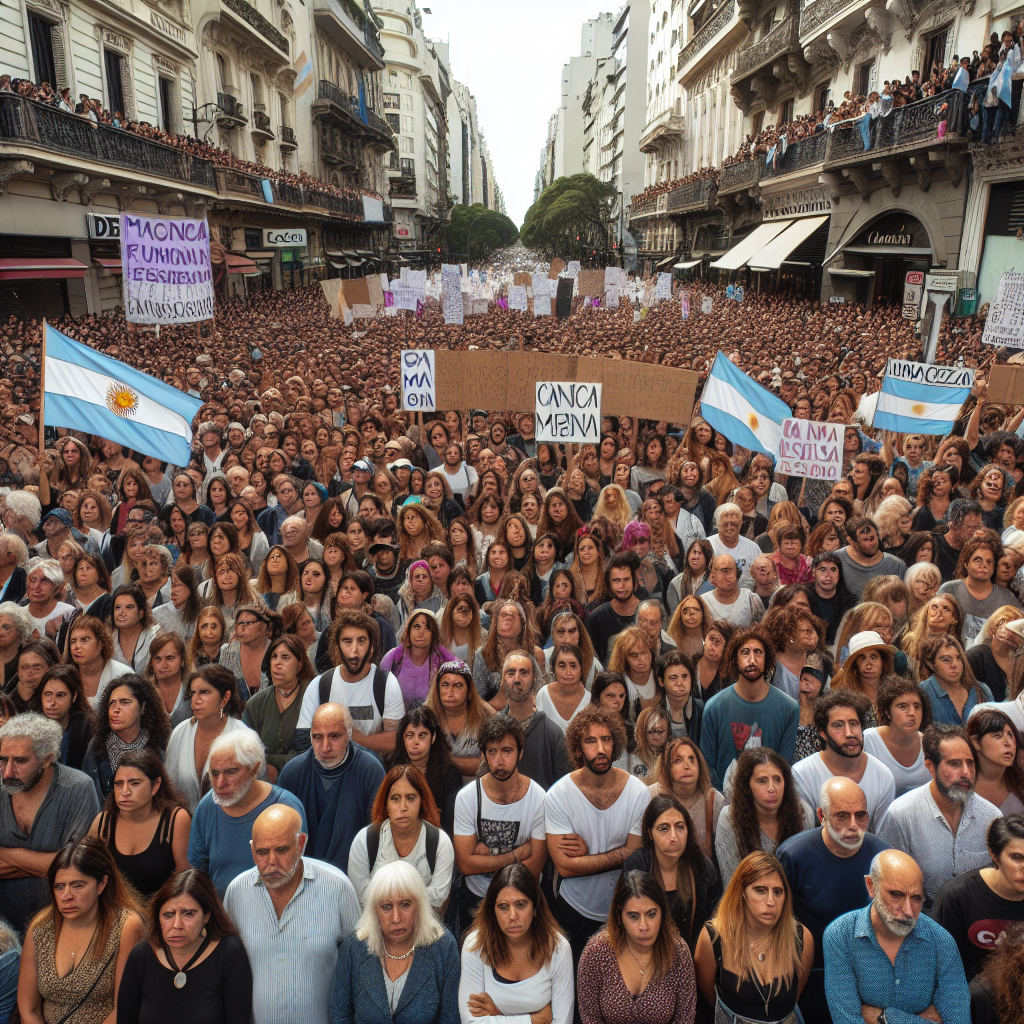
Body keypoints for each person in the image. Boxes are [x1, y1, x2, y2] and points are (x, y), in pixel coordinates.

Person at [224, 804, 360, 1024]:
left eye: (281, 850)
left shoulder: (338, 888)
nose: (271, 862)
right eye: (262, 852)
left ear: (301, 844)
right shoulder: (236, 893)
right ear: (252, 849)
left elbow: (360, 967)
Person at [777, 777, 891, 1024]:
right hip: (812, 978)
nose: (853, 826)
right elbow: (776, 924)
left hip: (870, 982)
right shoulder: (794, 855)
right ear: (822, 815)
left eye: (861, 816)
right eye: (842, 816)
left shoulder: (884, 857)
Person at [545, 705, 649, 967]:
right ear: (578, 748)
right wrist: (620, 853)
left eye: (606, 739)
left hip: (625, 910)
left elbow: (635, 856)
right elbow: (566, 867)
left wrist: (588, 856)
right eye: (591, 741)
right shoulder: (558, 795)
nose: (600, 749)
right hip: (572, 911)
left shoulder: (637, 792)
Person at [823, 849, 970, 1023]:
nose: (908, 911)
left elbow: (959, 1020)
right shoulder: (840, 936)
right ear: (871, 886)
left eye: (916, 898)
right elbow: (846, 1020)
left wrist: (883, 1017)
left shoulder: (941, 941)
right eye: (896, 895)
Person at [17, 836, 146, 1024]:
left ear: (102, 884)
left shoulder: (126, 926)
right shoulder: (40, 928)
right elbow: (29, 1009)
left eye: (78, 885)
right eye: (59, 887)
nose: (66, 896)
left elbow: (124, 1010)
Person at [878, 723, 1002, 904]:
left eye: (970, 763)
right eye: (955, 764)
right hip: (921, 916)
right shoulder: (902, 815)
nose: (966, 773)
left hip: (978, 915)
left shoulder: (991, 816)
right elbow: (886, 881)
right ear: (930, 767)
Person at [0, 713, 99, 932]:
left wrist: (8, 855)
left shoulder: (78, 788)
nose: (8, 772)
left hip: (64, 924)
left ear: (46, 759)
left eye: (20, 761)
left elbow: (74, 867)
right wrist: (46, 865)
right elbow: (60, 864)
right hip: (4, 927)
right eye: (2, 759)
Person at [329, 860, 460, 1024]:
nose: (396, 918)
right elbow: (340, 1015)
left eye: (405, 904)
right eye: (386, 907)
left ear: (419, 906)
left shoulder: (443, 947)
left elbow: (450, 1017)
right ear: (374, 911)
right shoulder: (353, 948)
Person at [116, 868, 253, 1024]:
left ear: (207, 915)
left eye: (188, 913)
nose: (177, 925)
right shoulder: (141, 956)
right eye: (168, 915)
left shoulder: (229, 952)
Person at [693, 850, 814, 1024]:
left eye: (778, 892)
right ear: (742, 892)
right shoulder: (714, 937)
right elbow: (711, 999)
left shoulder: (801, 937)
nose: (771, 901)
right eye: (760, 890)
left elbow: (793, 998)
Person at [453, 715, 548, 929]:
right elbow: (466, 865)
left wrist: (485, 863)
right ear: (484, 755)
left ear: (520, 752)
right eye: (492, 752)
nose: (499, 761)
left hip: (522, 897)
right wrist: (516, 855)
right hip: (476, 898)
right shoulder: (468, 797)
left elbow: (536, 863)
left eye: (507, 750)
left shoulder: (538, 797)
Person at [188, 728, 307, 895]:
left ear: (254, 768)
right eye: (214, 773)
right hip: (222, 915)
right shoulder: (207, 806)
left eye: (231, 772)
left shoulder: (286, 807)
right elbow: (197, 871)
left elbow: (299, 871)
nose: (220, 783)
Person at [576, 869, 697, 1024]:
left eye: (651, 914)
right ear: (620, 916)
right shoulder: (597, 951)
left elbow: (685, 1017)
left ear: (663, 913)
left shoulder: (678, 951)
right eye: (633, 916)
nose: (643, 926)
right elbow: (589, 1016)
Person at [459, 863, 574, 1024]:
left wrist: (497, 1015)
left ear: (535, 908)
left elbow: (563, 1022)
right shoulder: (476, 945)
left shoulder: (558, 948)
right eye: (503, 907)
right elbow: (470, 1022)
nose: (513, 916)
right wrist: (535, 1020)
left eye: (520, 905)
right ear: (493, 911)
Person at [278, 701, 384, 873]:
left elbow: (377, 837)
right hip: (303, 877)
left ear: (349, 733)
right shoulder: (292, 773)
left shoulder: (370, 771)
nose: (325, 747)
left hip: (355, 877)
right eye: (317, 737)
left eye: (334, 736)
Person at [699, 626, 799, 788]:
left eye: (758, 652)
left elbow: (783, 767)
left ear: (767, 659)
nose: (752, 660)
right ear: (735, 659)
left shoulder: (789, 708)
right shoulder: (714, 707)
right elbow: (708, 769)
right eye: (745, 652)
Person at [347, 764, 456, 912]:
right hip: (375, 926)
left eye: (410, 798)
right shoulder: (364, 840)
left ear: (421, 803)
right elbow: (360, 896)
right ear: (386, 805)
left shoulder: (440, 842)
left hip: (424, 926)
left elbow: (438, 899)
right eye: (395, 799)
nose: (403, 807)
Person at [296, 611, 405, 755]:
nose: (354, 651)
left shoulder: (386, 683)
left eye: (361, 641)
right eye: (347, 641)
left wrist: (354, 738)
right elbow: (303, 741)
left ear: (371, 647)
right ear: (337, 647)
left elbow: (395, 740)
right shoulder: (320, 685)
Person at [622, 793, 720, 952]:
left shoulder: (703, 867)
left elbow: (713, 925)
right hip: (646, 955)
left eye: (680, 827)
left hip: (693, 958)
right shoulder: (636, 866)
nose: (674, 837)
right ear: (650, 833)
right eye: (664, 829)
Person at [930, 815, 1024, 982]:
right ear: (994, 855)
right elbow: (941, 967)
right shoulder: (958, 896)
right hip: (970, 998)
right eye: (1017, 857)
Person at [88, 749, 191, 898]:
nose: (125, 791)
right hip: (114, 913)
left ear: (155, 786)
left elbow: (184, 881)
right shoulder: (102, 823)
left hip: (159, 913)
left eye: (134, 783)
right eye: (118, 784)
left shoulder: (176, 819)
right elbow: (88, 876)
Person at [790, 690, 896, 832]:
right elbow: (803, 837)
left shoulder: (883, 776)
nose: (849, 733)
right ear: (822, 732)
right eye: (838, 725)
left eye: (854, 724)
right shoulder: (802, 774)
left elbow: (882, 837)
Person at [715, 748, 809, 883]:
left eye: (777, 779)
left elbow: (802, 879)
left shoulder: (803, 814)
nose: (772, 788)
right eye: (762, 781)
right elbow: (732, 884)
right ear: (747, 786)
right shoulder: (730, 818)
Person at [165, 666, 250, 812]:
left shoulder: (243, 736)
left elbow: (252, 791)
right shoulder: (180, 732)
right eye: (193, 693)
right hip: (186, 824)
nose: (196, 700)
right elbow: (169, 787)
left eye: (205, 692)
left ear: (225, 697)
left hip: (230, 820)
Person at [81, 674, 172, 800]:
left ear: (143, 707)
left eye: (125, 702)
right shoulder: (97, 745)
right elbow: (88, 797)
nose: (116, 709)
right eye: (112, 703)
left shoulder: (158, 746)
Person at [241, 633, 315, 781]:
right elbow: (246, 751)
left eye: (285, 657)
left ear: (300, 665)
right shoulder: (256, 703)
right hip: (264, 782)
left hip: (305, 778)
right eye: (274, 657)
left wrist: (272, 762)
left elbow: (314, 751)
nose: (277, 663)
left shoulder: (312, 697)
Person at [498, 650, 572, 791]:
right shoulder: (492, 729)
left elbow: (564, 789)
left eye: (524, 672)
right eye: (511, 673)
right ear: (502, 680)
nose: (517, 679)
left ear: (534, 679)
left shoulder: (552, 733)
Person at [646, 736, 726, 859]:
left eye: (691, 760)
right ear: (667, 767)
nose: (687, 766)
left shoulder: (715, 801)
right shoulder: (650, 796)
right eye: (678, 760)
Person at [387, 705, 463, 834]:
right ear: (402, 739)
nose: (415, 742)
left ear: (433, 737)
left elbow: (451, 823)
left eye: (422, 735)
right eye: (410, 736)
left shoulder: (449, 774)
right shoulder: (390, 768)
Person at [863, 677, 933, 797]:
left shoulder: (930, 743)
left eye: (917, 706)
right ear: (887, 712)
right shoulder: (868, 740)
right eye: (903, 706)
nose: (912, 713)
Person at [918, 634, 993, 727]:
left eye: (959, 658)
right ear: (932, 664)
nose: (954, 664)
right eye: (946, 660)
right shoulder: (924, 692)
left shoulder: (982, 690)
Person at [968, 707, 1024, 814]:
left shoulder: (1020, 783)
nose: (1008, 743)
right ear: (976, 742)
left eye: (1010, 735)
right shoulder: (961, 784)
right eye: (997, 736)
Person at [702, 555, 765, 627]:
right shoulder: (704, 601)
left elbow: (762, 630)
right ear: (713, 576)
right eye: (724, 571)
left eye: (728, 571)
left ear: (737, 573)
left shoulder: (750, 599)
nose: (727, 576)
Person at [708, 503, 762, 587]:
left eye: (733, 524)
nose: (729, 528)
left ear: (740, 524)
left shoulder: (752, 548)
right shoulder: (707, 545)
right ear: (718, 525)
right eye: (725, 524)